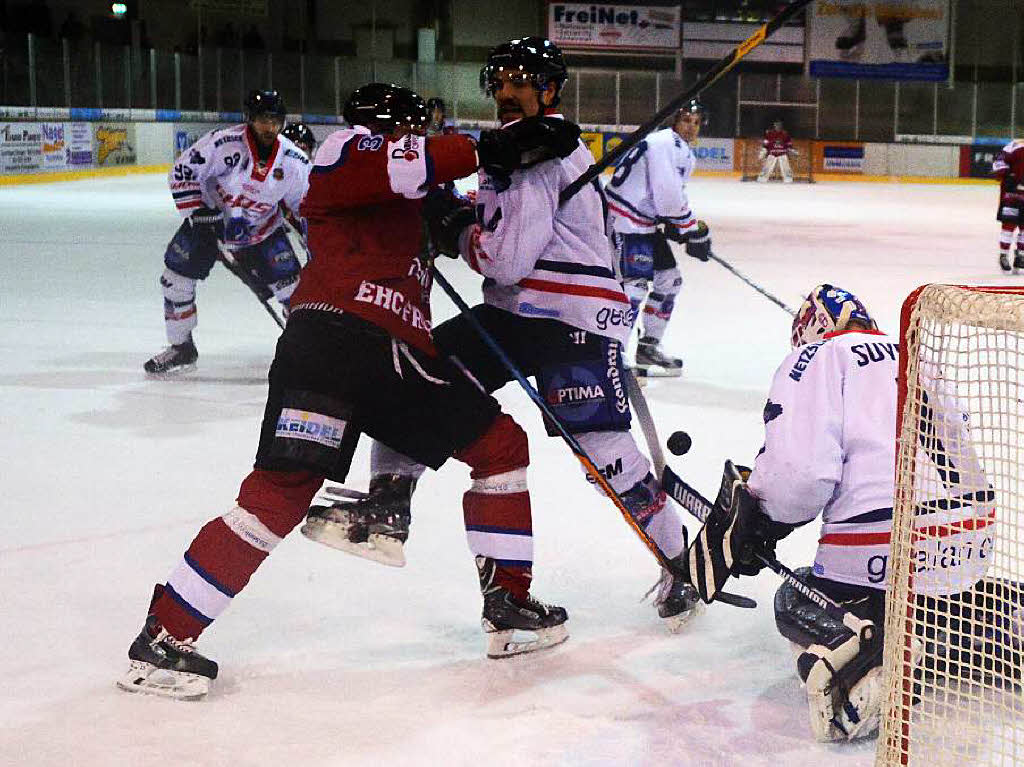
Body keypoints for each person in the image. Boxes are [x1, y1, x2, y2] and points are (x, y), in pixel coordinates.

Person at [117, 82, 583, 700]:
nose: (422, 134)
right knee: (493, 449)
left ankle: (165, 636)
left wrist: (472, 215)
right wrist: (496, 145)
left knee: (285, 494)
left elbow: (458, 226)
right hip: (359, 342)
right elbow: (416, 164)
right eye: (416, 126)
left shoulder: (400, 187)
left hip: (342, 352)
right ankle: (508, 606)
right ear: (391, 125)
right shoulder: (346, 150)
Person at [303, 37, 702, 634]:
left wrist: (458, 229)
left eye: (522, 80)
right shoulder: (518, 152)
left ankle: (683, 563)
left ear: (550, 90)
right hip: (521, 315)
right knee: (418, 378)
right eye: (501, 82)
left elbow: (507, 258)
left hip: (565, 319)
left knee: (606, 455)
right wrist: (456, 213)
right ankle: (387, 508)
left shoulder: (539, 155)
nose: (508, 92)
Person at [686, 284, 996, 742]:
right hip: (968, 535)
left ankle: (861, 661)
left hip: (879, 538)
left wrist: (765, 524)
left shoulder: (814, 359)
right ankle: (1001, 617)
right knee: (942, 602)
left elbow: (802, 473)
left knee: (797, 595)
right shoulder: (914, 351)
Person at [144, 90, 311, 376]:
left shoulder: (294, 162)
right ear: (249, 119)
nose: (269, 128)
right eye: (262, 121)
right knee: (175, 281)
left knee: (295, 293)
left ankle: (304, 352)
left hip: (263, 231)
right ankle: (181, 347)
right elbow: (182, 172)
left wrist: (317, 246)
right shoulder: (223, 144)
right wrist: (200, 214)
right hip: (208, 226)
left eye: (275, 122)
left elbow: (306, 209)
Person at [605, 100, 712, 376]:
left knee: (670, 280)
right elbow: (668, 197)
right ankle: (614, 353)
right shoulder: (666, 143)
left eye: (697, 122)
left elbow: (663, 198)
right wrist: (691, 230)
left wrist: (680, 227)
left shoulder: (676, 148)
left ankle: (647, 346)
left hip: (642, 222)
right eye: (687, 120)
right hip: (624, 221)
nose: (691, 127)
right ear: (675, 121)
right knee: (634, 287)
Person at [993, 138, 1024, 273]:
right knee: (1008, 225)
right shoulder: (1015, 145)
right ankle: (1004, 255)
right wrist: (1008, 176)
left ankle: (1021, 255)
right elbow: (999, 161)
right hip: (1012, 194)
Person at [757, 119, 796, 183]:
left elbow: (789, 143)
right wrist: (763, 151)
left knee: (785, 166)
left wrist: (790, 149)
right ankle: (762, 177)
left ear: (781, 126)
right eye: (777, 125)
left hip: (782, 153)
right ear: (774, 125)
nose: (778, 126)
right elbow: (765, 143)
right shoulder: (770, 133)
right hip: (772, 153)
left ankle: (788, 178)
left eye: (779, 125)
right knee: (767, 165)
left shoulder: (785, 133)